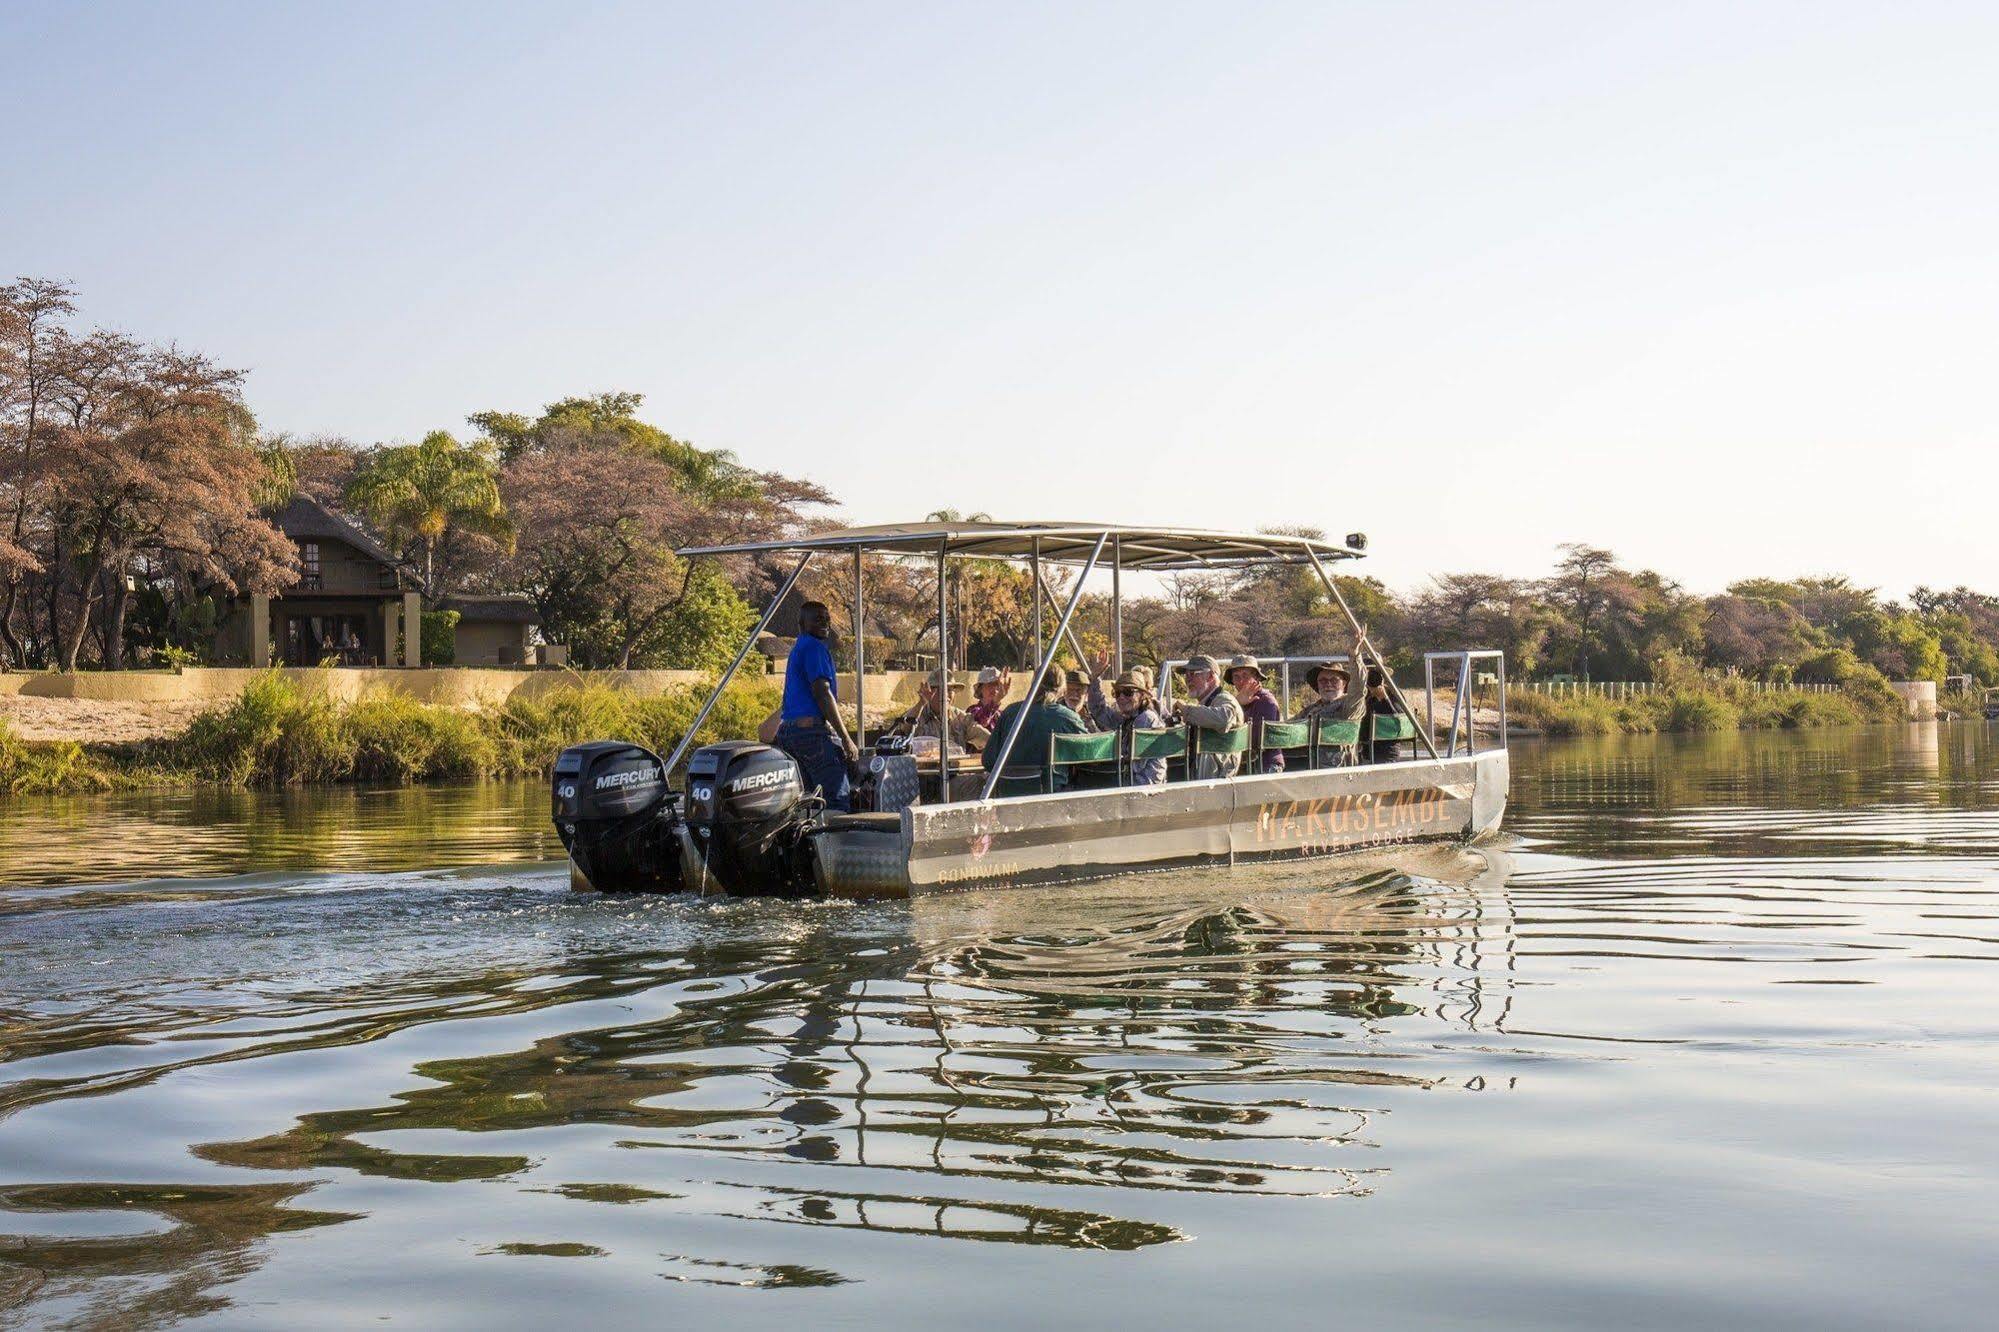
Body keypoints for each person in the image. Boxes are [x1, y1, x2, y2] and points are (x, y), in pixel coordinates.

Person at [773, 600, 860, 812]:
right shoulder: (814, 648)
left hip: (790, 735)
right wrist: (845, 738)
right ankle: (838, 843)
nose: (825, 623)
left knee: (809, 801)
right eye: (818, 619)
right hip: (811, 734)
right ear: (802, 623)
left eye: (827, 618)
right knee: (836, 797)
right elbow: (822, 692)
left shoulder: (798, 648)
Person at [981, 667, 1089, 797]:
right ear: (1062, 689)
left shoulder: (1010, 713)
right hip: (1051, 797)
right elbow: (1091, 754)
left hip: (1008, 795)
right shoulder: (1067, 718)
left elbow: (988, 760)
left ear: (1033, 684)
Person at [1085, 652, 1167, 785]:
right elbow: (1098, 710)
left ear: (1141, 695)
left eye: (1128, 692)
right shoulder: (1128, 718)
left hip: (1142, 786)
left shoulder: (1145, 719)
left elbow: (1135, 764)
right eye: (1117, 693)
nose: (1121, 698)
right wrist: (1095, 678)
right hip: (1132, 781)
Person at [1292, 641, 1367, 765]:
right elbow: (1289, 727)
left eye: (1334, 680)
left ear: (1344, 684)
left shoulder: (1349, 707)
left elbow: (1359, 688)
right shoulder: (1311, 709)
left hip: (1338, 768)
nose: (1328, 684)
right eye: (1323, 681)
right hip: (1306, 764)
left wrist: (1355, 656)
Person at [1172, 654, 1244, 779]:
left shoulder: (1224, 699)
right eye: (1186, 675)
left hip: (1217, 776)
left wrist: (1187, 711)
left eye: (1193, 674)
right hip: (1207, 772)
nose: (1188, 679)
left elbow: (1224, 720)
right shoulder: (1208, 701)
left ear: (1211, 676)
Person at [889, 670, 991, 753]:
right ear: (929, 691)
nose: (946, 694)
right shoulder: (919, 713)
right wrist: (921, 703)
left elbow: (985, 737)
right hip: (924, 774)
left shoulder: (960, 718)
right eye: (940, 689)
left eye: (950, 690)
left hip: (954, 773)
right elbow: (905, 727)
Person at [1226, 653, 1284, 772]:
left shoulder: (1266, 701)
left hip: (1265, 766)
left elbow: (1254, 742)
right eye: (1236, 677)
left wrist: (1236, 705)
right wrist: (1238, 703)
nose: (1241, 681)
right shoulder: (1237, 700)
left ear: (1256, 678)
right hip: (1245, 764)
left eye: (1245, 675)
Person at [967, 666, 1010, 733]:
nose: (994, 688)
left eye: (997, 684)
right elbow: (982, 722)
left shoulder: (1001, 715)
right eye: (990, 684)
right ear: (980, 689)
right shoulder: (972, 710)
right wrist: (995, 701)